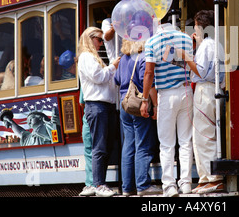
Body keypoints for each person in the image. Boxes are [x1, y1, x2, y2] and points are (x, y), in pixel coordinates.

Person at [140, 22, 194, 197]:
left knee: (167, 144)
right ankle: (186, 183)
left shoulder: (152, 42)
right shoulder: (186, 39)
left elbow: (148, 73)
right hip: (186, 91)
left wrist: (144, 99)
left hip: (165, 94)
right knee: (185, 141)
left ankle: (169, 186)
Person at [177, 10, 225, 194]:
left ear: (200, 26)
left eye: (195, 25)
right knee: (205, 135)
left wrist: (187, 56)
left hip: (205, 90)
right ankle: (207, 178)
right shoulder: (214, 44)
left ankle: (213, 178)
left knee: (203, 136)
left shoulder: (207, 45)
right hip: (212, 90)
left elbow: (203, 72)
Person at [77, 26, 120, 197]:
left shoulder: (92, 57)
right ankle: (99, 184)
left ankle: (98, 183)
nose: (101, 43)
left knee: (105, 146)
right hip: (97, 105)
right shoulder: (86, 57)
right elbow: (99, 77)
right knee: (100, 146)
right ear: (90, 38)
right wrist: (113, 67)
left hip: (104, 105)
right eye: (99, 39)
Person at [114, 40, 161, 196]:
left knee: (128, 145)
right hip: (139, 104)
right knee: (143, 144)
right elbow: (148, 82)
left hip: (124, 105)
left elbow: (116, 81)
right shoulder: (142, 58)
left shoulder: (123, 58)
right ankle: (143, 186)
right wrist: (155, 105)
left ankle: (127, 188)